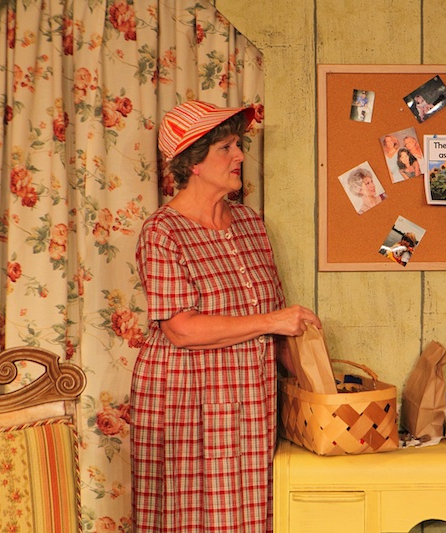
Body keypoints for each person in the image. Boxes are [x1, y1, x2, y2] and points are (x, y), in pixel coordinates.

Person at [131, 100, 322, 532]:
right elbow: (180, 329)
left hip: (252, 400)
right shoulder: (162, 232)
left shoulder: (250, 224)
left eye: (238, 145)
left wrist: (319, 387)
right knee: (193, 518)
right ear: (193, 163)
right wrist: (273, 321)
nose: (239, 156)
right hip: (186, 402)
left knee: (251, 516)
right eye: (226, 148)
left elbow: (277, 323)